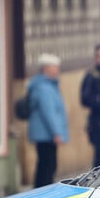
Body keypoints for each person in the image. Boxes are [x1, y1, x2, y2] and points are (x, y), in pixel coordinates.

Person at [27, 53, 69, 188]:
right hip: (46, 134)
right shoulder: (44, 87)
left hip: (44, 134)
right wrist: (56, 133)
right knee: (48, 166)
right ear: (46, 69)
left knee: (45, 164)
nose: (57, 70)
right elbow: (49, 112)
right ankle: (43, 192)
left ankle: (40, 190)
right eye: (54, 67)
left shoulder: (46, 85)